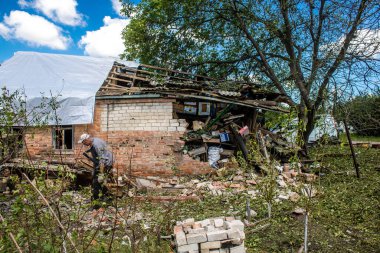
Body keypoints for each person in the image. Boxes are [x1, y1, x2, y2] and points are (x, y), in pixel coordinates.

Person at [78, 134, 114, 207]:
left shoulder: (97, 145)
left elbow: (102, 159)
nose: (83, 144)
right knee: (97, 182)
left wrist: (101, 173)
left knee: (96, 182)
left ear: (87, 140)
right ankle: (108, 197)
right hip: (99, 163)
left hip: (105, 164)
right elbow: (94, 150)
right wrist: (87, 152)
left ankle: (96, 204)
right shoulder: (93, 141)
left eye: (83, 142)